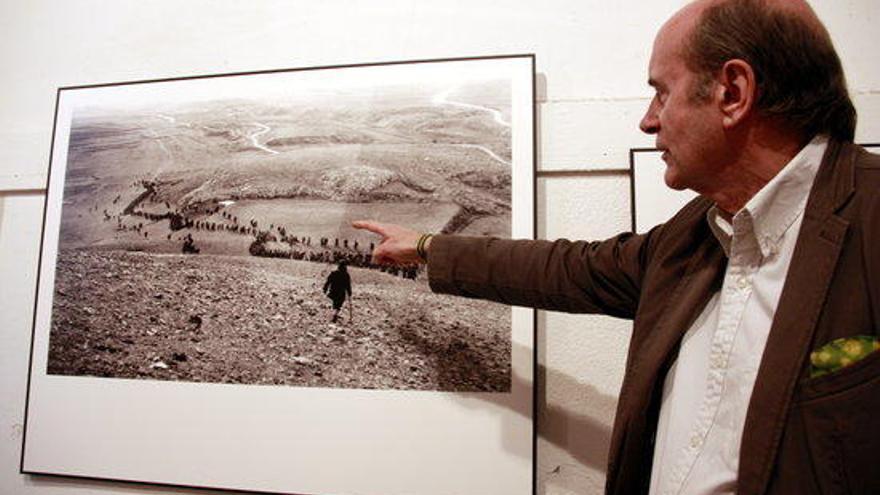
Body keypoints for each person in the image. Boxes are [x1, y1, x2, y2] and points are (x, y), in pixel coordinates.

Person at [353, 0, 879, 493]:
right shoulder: (698, 233)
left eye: (661, 92)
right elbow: (570, 268)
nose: (648, 119)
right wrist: (426, 246)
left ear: (733, 92)